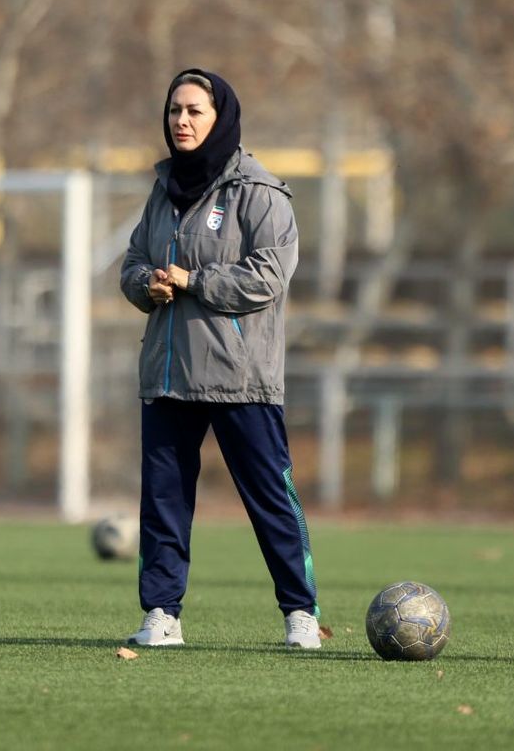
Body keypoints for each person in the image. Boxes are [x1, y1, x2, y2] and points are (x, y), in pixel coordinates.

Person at [119, 68, 321, 649]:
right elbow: (134, 261)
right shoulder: (161, 191)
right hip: (166, 372)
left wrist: (194, 280)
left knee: (269, 499)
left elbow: (270, 276)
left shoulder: (261, 192)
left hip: (241, 376)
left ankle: (300, 614)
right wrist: (146, 284)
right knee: (162, 504)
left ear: (221, 118)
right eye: (174, 111)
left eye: (193, 111)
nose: (181, 121)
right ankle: (161, 614)